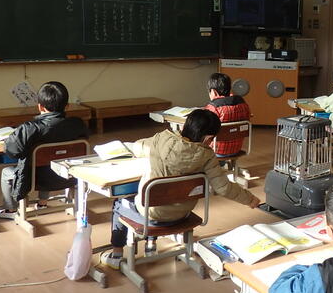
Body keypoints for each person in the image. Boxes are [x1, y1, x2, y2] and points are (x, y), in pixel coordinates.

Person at [100, 109, 260, 269]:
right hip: (183, 215)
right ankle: (151, 245)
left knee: (120, 204)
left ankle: (116, 255)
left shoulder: (161, 139)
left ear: (185, 126)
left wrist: (122, 147)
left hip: (152, 216)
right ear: (208, 138)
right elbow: (224, 188)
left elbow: (138, 146)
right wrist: (250, 199)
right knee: (158, 197)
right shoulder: (208, 157)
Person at [0, 81, 88, 220]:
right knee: (49, 161)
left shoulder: (30, 128)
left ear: (40, 106)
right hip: (68, 176)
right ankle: (42, 203)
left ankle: (11, 209)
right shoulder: (77, 124)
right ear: (67, 106)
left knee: (6, 172)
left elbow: (11, 150)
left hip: (34, 179)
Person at [204, 72, 251, 158]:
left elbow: (205, 131)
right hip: (236, 149)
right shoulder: (243, 103)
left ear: (214, 92)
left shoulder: (213, 107)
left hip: (216, 151)